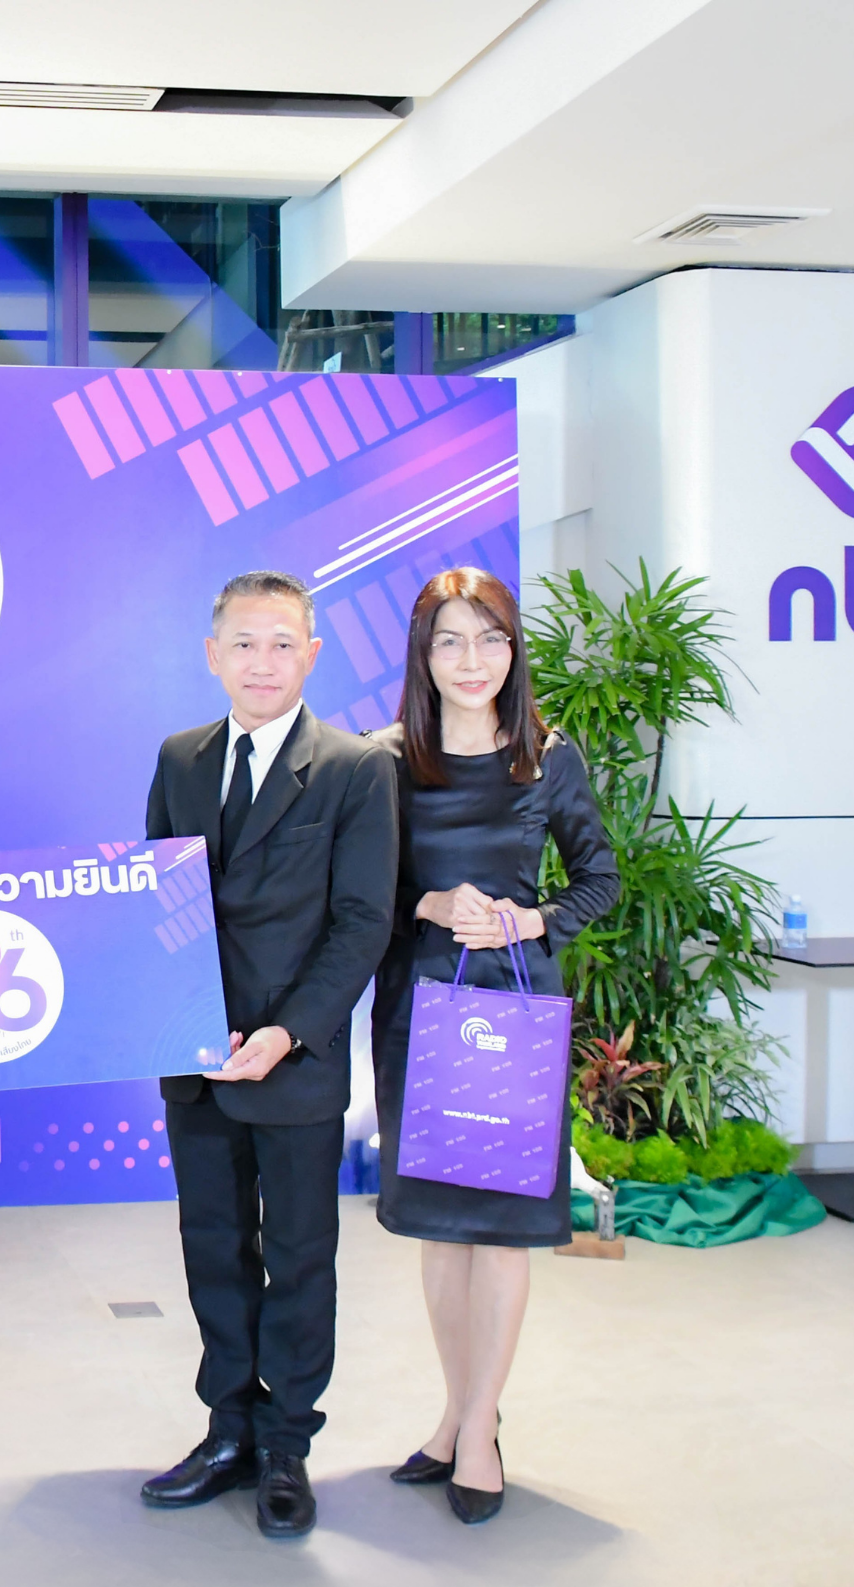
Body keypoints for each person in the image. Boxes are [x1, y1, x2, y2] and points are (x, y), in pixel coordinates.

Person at [139, 570, 398, 1539]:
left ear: (313, 655)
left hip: (296, 1059)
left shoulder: (355, 769)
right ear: (213, 655)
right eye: (244, 643)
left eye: (282, 643)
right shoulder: (179, 759)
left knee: (299, 1255)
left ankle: (287, 1441)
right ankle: (228, 1429)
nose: (262, 661)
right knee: (212, 1245)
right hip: (197, 1059)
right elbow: (155, 902)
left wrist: (284, 1032)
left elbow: (362, 921)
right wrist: (184, 1026)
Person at [369, 566, 619, 1525]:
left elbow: (599, 879)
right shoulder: (386, 760)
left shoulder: (547, 757)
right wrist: (429, 902)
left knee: (505, 1228)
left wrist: (530, 918)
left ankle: (479, 1432)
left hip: (514, 1013)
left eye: (490, 638)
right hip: (422, 1009)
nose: (472, 660)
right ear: (423, 656)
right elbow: (365, 897)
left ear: (513, 650)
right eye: (450, 641)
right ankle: (455, 1411)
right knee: (442, 1229)